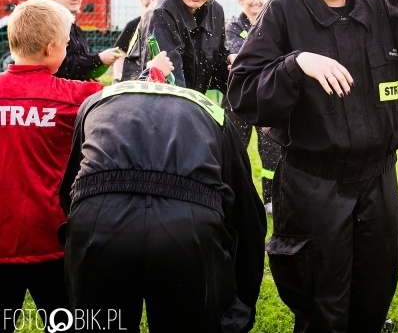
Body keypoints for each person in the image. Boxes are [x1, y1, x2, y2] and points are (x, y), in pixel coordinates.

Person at [227, 0, 398, 333]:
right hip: (315, 186)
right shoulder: (284, 12)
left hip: (378, 183)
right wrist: (296, 65)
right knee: (321, 307)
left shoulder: (379, 8)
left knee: (372, 297)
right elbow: (244, 94)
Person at [58, 78, 266, 332]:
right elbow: (246, 216)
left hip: (100, 215)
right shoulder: (211, 110)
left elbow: (71, 189)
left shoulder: (96, 101)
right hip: (188, 223)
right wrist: (242, 303)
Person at [0, 0, 105, 331]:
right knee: (65, 324)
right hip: (54, 240)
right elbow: (129, 101)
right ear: (50, 49)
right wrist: (156, 73)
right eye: (64, 45)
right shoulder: (77, 96)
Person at [224, 0, 281, 213]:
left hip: (265, 96)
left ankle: (270, 200)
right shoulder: (233, 26)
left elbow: (277, 58)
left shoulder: (271, 23)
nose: (256, 1)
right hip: (237, 99)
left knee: (271, 150)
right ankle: (232, 199)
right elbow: (238, 58)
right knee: (234, 149)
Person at [46, 0, 121, 80]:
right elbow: (62, 64)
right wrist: (99, 59)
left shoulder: (76, 29)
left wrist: (86, 75)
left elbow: (76, 66)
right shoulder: (50, 25)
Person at [111, 0, 161, 81]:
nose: (151, 1)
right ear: (141, 1)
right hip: (137, 76)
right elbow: (120, 52)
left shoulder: (168, 23)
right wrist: (117, 77)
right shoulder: (133, 25)